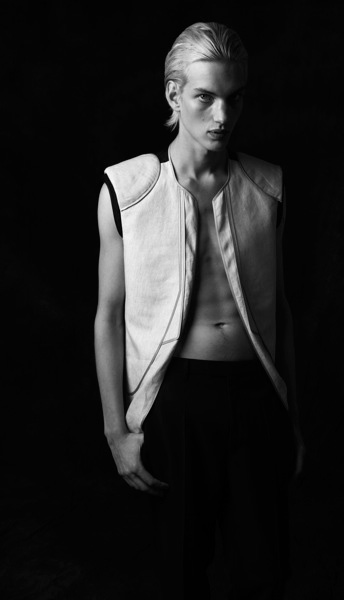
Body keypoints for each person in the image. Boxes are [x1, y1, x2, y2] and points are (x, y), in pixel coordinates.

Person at [94, 21, 305, 600]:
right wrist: (116, 431)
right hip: (175, 401)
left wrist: (292, 418)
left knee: (264, 574)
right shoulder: (128, 191)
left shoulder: (267, 186)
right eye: (205, 97)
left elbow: (282, 309)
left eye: (235, 98)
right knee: (181, 575)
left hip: (256, 395)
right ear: (173, 94)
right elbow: (107, 316)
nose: (222, 115)